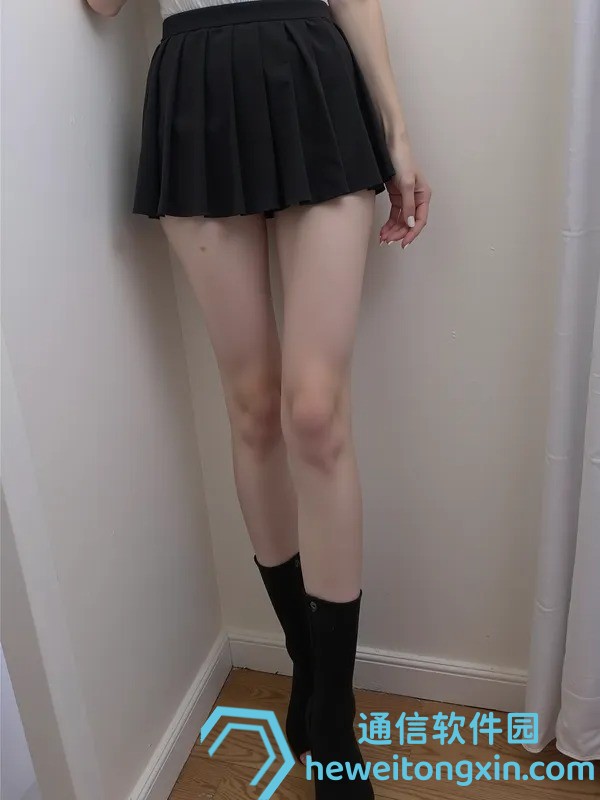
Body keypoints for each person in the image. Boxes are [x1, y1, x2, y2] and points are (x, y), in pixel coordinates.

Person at [87, 0, 431, 796]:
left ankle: (333, 713)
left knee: (314, 413)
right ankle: (306, 664)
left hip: (311, 71)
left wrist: (398, 131)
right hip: (196, 83)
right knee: (251, 406)